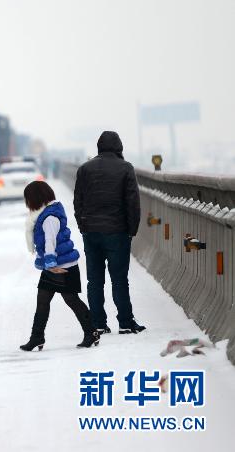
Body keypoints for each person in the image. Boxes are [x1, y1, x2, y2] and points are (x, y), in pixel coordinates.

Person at [73, 131, 145, 335]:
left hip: (91, 232)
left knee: (94, 280)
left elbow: (78, 201)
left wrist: (83, 226)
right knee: (119, 279)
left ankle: (97, 323)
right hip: (117, 232)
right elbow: (133, 203)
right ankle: (125, 322)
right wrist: (132, 230)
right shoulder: (126, 168)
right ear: (119, 147)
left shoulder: (84, 169)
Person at [19, 181, 100, 351]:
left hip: (63, 267)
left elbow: (50, 241)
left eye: (28, 199)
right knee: (43, 301)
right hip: (54, 266)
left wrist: (51, 263)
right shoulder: (46, 213)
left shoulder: (49, 217)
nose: (27, 203)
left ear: (35, 198)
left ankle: (91, 332)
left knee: (71, 300)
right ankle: (37, 337)